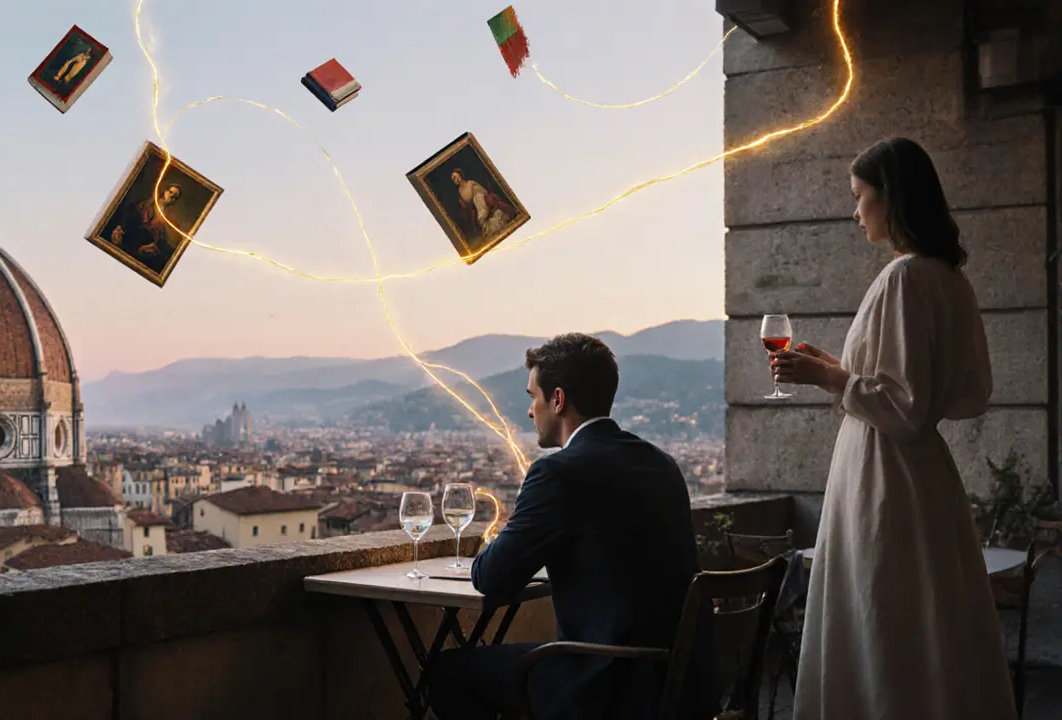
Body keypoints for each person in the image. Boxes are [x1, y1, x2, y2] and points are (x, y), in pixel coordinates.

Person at [771, 137, 1017, 719]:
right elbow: (961, 394)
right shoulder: (951, 280)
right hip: (924, 476)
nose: (855, 212)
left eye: (860, 197)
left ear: (891, 198)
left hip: (882, 474)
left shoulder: (903, 279)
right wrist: (845, 370)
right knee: (928, 624)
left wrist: (829, 379)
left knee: (881, 616)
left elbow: (903, 408)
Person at [425, 333, 721, 720]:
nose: (530, 411)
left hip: (603, 684)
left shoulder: (558, 472)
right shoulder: (660, 463)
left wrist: (501, 534)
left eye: (533, 397)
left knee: (447, 672)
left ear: (558, 400)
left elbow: (492, 578)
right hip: (681, 684)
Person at [108, 183, 182, 274]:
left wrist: (154, 247)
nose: (172, 197)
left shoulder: (167, 219)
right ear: (164, 191)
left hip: (142, 251)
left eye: (175, 197)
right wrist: (119, 228)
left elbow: (161, 238)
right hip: (127, 238)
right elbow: (130, 212)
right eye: (171, 192)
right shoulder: (146, 205)